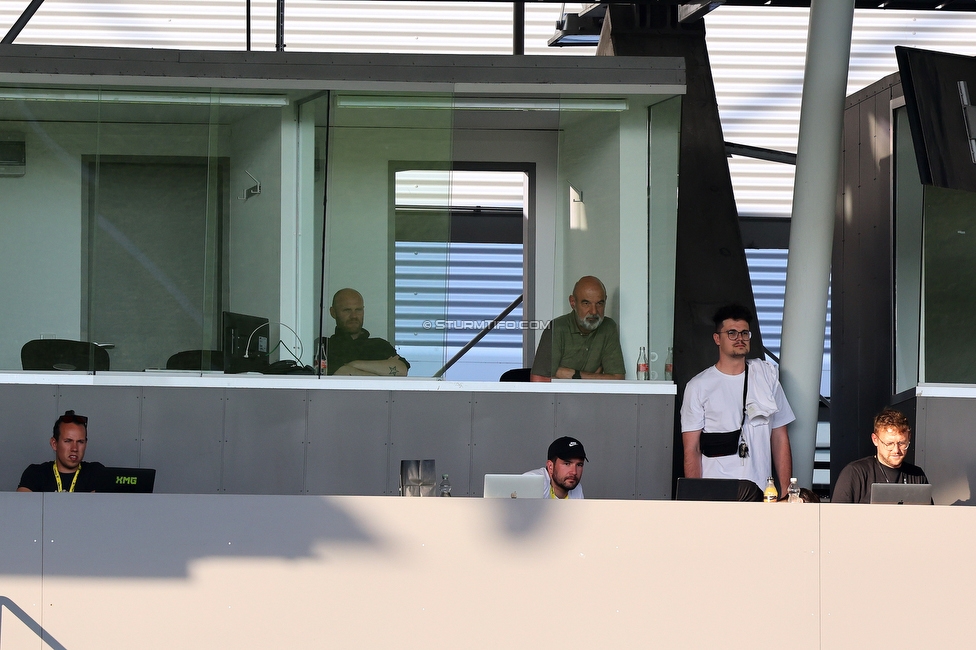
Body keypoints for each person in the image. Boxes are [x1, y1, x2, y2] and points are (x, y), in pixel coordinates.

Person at [681, 304, 794, 494]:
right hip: (716, 490)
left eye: (744, 333)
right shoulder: (698, 386)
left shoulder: (766, 377)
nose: (739, 338)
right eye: (731, 333)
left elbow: (780, 437)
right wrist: (696, 497)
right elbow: (692, 449)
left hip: (761, 489)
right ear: (717, 338)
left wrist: (786, 492)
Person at [529, 276, 625, 381]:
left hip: (592, 397)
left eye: (599, 303)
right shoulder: (557, 328)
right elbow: (538, 380)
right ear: (573, 302)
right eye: (586, 303)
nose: (593, 311)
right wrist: (597, 377)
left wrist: (576, 375)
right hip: (559, 396)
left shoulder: (608, 326)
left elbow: (618, 378)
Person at [832, 407, 928, 503]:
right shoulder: (855, 473)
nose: (896, 450)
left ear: (909, 438)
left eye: (902, 443)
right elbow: (837, 515)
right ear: (875, 440)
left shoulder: (917, 475)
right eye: (889, 444)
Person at [325, 288, 409, 376]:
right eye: (347, 310)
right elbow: (337, 373)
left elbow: (402, 371)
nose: (354, 316)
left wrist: (354, 364)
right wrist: (380, 374)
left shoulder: (380, 345)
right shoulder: (324, 345)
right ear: (333, 312)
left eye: (358, 310)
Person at [17, 410, 105, 492]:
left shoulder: (97, 473)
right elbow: (21, 505)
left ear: (85, 444)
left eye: (80, 442)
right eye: (68, 441)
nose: (74, 448)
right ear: (54, 444)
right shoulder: (35, 474)